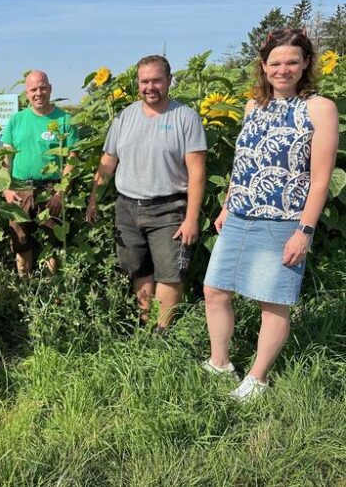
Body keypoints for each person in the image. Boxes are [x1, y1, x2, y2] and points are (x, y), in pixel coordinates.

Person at [202, 28, 338, 400]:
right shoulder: (253, 107)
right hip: (241, 215)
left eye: (292, 61)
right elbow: (243, 162)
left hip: (283, 221)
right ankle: (220, 362)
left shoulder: (319, 108)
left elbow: (321, 180)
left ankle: (257, 378)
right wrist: (228, 203)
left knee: (272, 301)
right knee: (214, 290)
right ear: (263, 66)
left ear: (306, 63)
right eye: (275, 62)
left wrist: (304, 230)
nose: (283, 69)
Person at [86, 55, 206, 333]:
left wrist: (191, 219)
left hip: (168, 207)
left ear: (169, 81)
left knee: (170, 271)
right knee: (137, 268)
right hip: (127, 206)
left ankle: (161, 332)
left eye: (156, 80)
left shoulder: (185, 117)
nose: (150, 86)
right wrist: (94, 197)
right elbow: (108, 160)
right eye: (144, 81)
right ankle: (144, 324)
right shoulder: (125, 116)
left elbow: (197, 171)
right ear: (137, 84)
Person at [1, 70, 78, 276]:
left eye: (43, 87)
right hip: (20, 189)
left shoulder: (64, 119)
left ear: (50, 88)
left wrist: (60, 193)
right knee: (21, 241)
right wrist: (6, 189)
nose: (39, 93)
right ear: (26, 93)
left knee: (53, 241)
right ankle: (25, 286)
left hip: (50, 190)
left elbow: (72, 160)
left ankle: (53, 291)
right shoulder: (16, 120)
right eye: (33, 89)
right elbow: (6, 158)